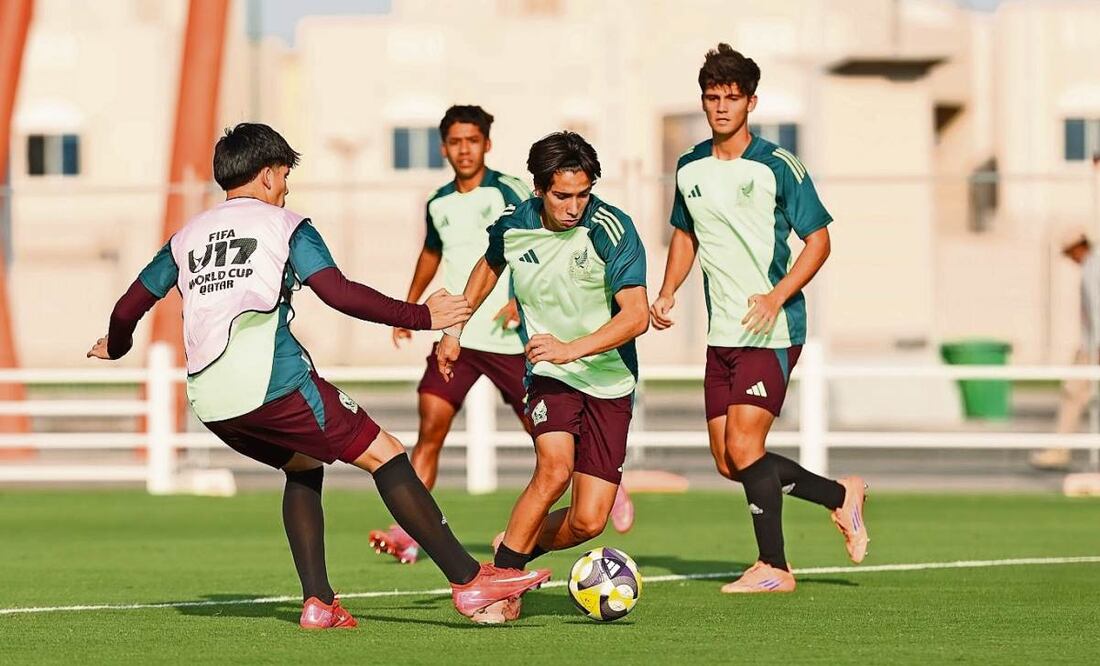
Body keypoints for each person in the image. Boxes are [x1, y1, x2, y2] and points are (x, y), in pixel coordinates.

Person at [86, 123, 548, 627]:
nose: (286, 187)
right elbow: (339, 293)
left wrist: (117, 344)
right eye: (284, 175)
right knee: (387, 453)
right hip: (275, 385)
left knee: (303, 467)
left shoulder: (188, 236)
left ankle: (319, 603)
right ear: (266, 176)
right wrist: (422, 316)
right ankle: (469, 581)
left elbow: (130, 305)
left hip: (214, 404)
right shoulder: (286, 226)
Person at [648, 44, 868, 594]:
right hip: (720, 332)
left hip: (772, 329)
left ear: (751, 102)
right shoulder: (689, 165)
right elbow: (685, 233)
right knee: (731, 462)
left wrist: (776, 296)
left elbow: (818, 242)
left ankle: (775, 567)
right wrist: (668, 289)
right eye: (712, 97)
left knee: (747, 450)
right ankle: (842, 496)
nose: (721, 107)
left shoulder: (777, 166)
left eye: (732, 97)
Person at [437, 132, 648, 613]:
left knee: (588, 522)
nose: (575, 206)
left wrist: (573, 349)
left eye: (583, 194)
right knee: (554, 469)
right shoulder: (514, 225)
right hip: (550, 371)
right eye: (562, 195)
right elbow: (488, 268)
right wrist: (454, 330)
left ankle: (514, 546)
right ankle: (504, 584)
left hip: (610, 379)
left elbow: (635, 315)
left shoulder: (613, 229)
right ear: (538, 189)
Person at [1031, 227, 1100, 469]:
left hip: (1094, 346)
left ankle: (1059, 450)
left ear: (1078, 247)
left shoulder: (1093, 269)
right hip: (1091, 344)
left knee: (1073, 392)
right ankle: (1059, 449)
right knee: (1073, 393)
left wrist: (1093, 349)